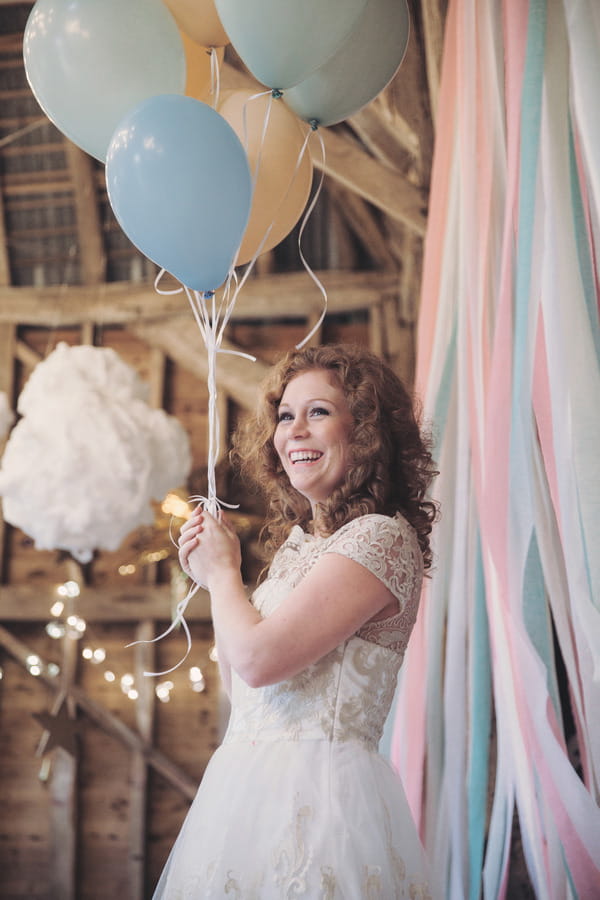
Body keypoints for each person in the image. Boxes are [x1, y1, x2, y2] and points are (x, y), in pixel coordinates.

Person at [153, 343, 439, 899]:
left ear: (366, 432)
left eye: (319, 412)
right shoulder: (299, 548)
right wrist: (216, 582)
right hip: (245, 798)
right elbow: (247, 691)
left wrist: (225, 573)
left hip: (324, 808)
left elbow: (259, 662)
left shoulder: (380, 539)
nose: (295, 431)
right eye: (286, 416)